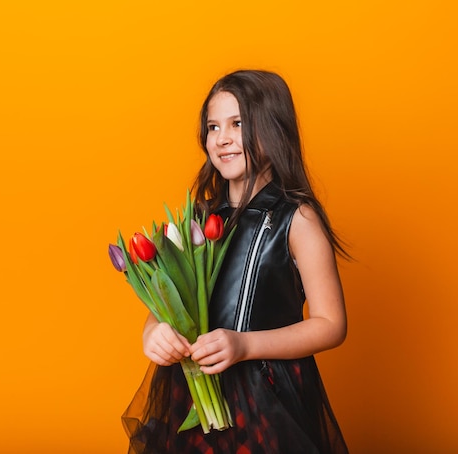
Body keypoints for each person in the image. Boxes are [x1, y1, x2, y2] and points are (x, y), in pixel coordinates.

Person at [123, 69, 349, 453]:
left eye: (238, 123)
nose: (222, 138)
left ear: (273, 129)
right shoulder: (198, 220)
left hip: (266, 394)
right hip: (194, 393)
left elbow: (331, 324)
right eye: (213, 126)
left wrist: (244, 345)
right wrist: (153, 332)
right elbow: (169, 302)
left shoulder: (297, 219)